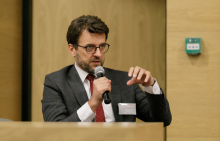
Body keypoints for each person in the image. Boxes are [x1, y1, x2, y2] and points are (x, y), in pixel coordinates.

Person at [42, 15, 172, 126]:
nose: (98, 54)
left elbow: (161, 121)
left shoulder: (124, 81)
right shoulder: (56, 82)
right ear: (72, 49)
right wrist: (93, 103)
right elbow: (56, 131)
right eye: (90, 47)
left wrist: (150, 86)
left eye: (102, 46)